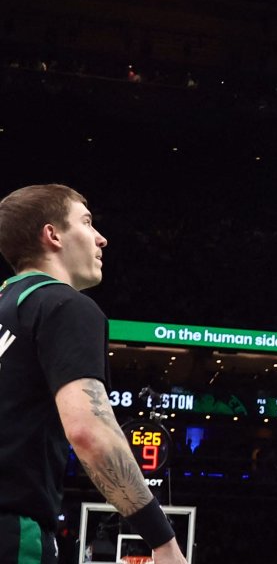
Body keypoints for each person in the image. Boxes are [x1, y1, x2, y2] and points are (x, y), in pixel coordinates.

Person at [0, 184, 187, 564]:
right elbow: (89, 431)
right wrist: (163, 541)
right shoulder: (66, 306)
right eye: (86, 223)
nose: (101, 238)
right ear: (52, 234)